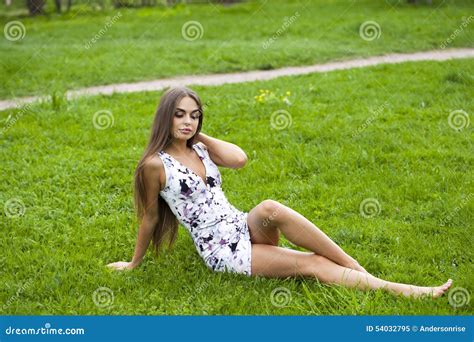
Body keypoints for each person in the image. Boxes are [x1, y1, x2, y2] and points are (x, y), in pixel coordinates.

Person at [107, 86, 452, 298]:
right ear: (164, 117)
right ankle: (406, 291)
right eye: (180, 115)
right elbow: (150, 215)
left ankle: (353, 266)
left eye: (195, 116)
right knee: (313, 265)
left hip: (241, 224)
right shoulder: (155, 165)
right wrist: (134, 262)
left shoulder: (199, 148)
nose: (188, 121)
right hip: (221, 250)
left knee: (271, 207)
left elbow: (239, 160)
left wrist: (199, 137)